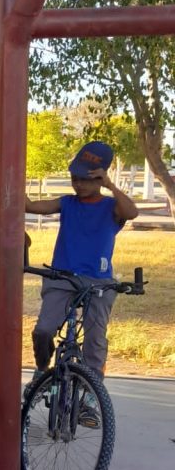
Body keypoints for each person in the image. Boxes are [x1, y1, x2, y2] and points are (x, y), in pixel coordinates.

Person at [26, 140, 139, 391]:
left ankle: (90, 391)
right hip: (62, 278)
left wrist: (111, 186)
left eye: (85, 180)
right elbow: (31, 206)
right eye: (74, 179)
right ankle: (42, 369)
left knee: (95, 340)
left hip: (98, 282)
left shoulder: (112, 207)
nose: (78, 184)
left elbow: (132, 213)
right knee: (43, 330)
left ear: (100, 179)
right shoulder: (67, 203)